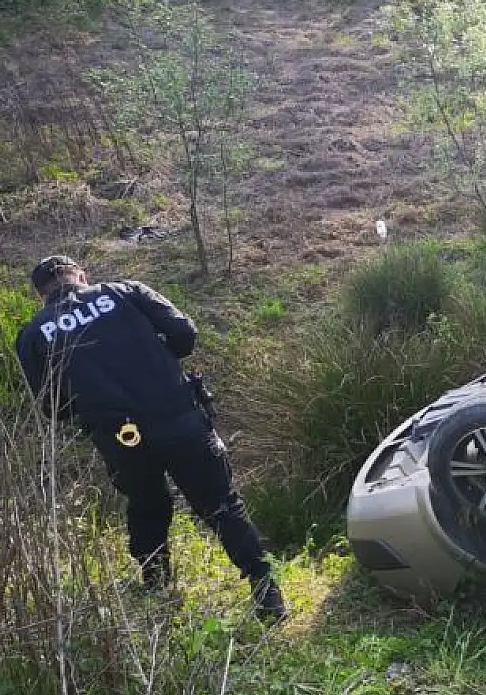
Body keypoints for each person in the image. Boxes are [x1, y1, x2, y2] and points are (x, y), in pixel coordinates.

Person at [15, 254, 288, 623]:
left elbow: (53, 407)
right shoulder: (125, 291)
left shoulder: (34, 336)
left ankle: (158, 590)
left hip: (121, 439)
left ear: (40, 295)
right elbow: (185, 334)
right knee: (221, 505)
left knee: (147, 506)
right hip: (178, 418)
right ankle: (266, 591)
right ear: (81, 275)